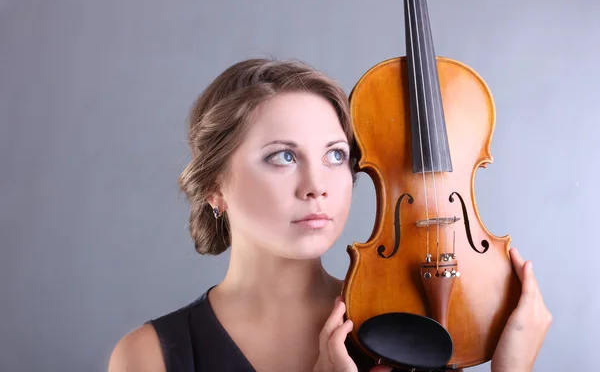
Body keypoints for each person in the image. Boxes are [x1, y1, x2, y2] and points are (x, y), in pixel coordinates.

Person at [108, 58, 552, 372]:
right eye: (282, 156)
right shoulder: (148, 357)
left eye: (336, 156)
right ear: (213, 188)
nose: (317, 184)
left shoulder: (413, 329)